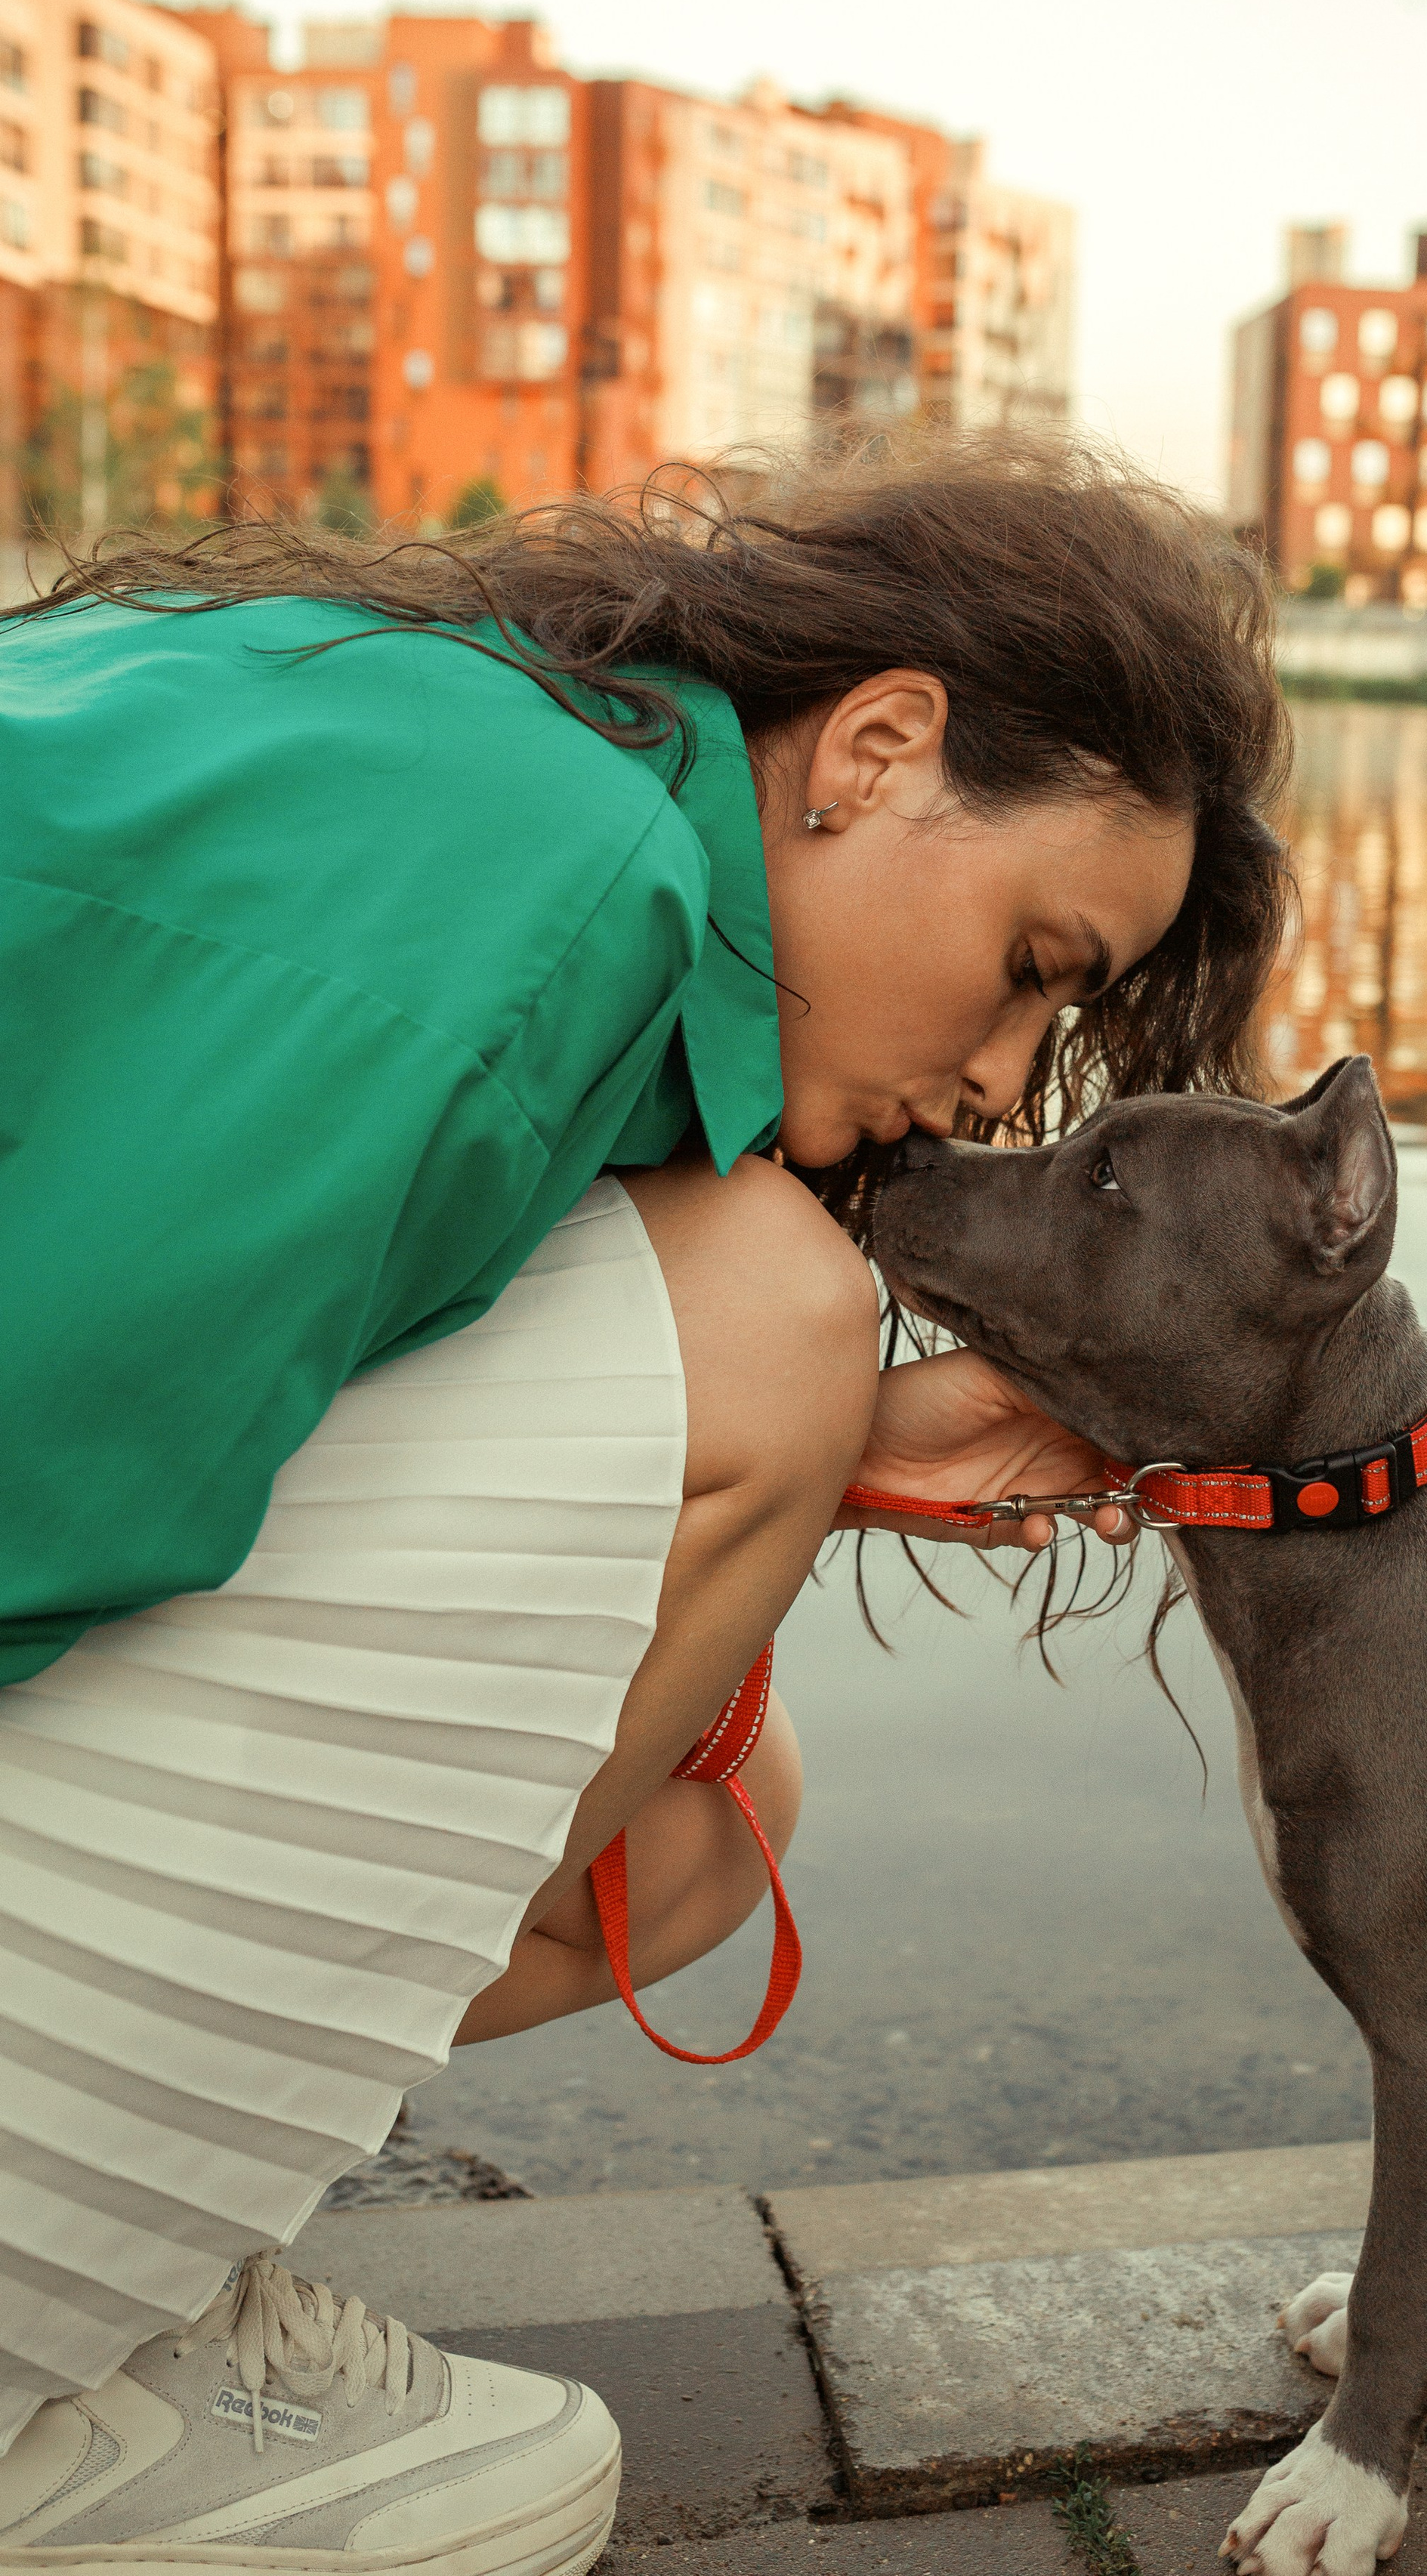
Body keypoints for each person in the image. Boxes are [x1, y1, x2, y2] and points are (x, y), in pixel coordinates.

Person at [0, 433, 1288, 2575]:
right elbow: (42, 1468)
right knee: (776, 1310)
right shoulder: (555, 867)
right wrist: (794, 1403)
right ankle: (65, 2324)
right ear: (875, 751)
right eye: (1034, 960)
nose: (1002, 1077)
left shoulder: (491, 759)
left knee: (700, 1838)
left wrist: (835, 1463)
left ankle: (134, 2237)